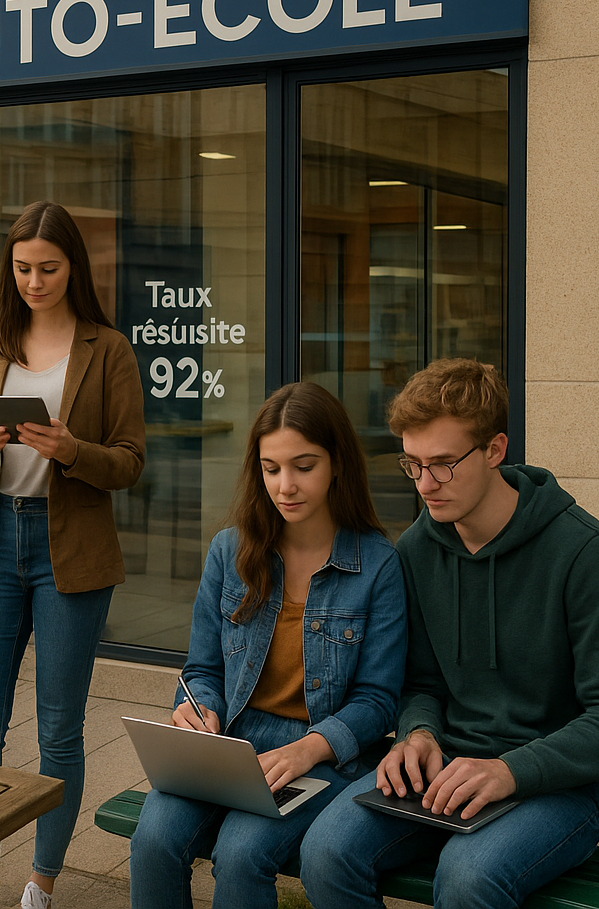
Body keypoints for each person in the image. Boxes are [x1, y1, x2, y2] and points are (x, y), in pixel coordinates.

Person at [300, 358, 599, 909]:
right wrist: (419, 734)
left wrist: (510, 770)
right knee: (325, 851)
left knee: (467, 877)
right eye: (412, 465)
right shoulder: (418, 548)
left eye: (443, 464)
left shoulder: (583, 552)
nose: (425, 485)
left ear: (494, 450)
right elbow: (420, 681)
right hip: (446, 773)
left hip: (554, 787)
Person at [128, 382, 407, 909]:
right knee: (154, 840)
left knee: (240, 854)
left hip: (321, 751)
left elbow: (379, 700)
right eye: (271, 467)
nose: (286, 485)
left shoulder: (377, 565)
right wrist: (196, 708)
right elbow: (203, 668)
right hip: (231, 742)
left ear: (337, 464)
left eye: (304, 466)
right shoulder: (230, 551)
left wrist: (308, 750)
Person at [0, 201, 146, 909]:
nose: (34, 281)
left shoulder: (108, 348)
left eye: (49, 268)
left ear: (73, 267)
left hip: (73, 551)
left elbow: (129, 462)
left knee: (59, 726)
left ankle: (43, 880)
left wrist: (71, 451)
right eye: (23, 268)